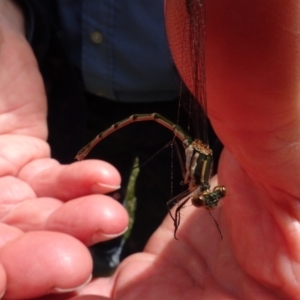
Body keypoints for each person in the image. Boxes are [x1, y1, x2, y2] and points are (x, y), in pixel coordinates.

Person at [1, 0, 300, 299]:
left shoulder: (200, 174)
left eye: (210, 198)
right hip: (72, 84)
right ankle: (100, 253)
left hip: (171, 97)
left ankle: (131, 249)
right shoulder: (198, 174)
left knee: (158, 203)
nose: (210, 198)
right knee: (99, 189)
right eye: (211, 197)